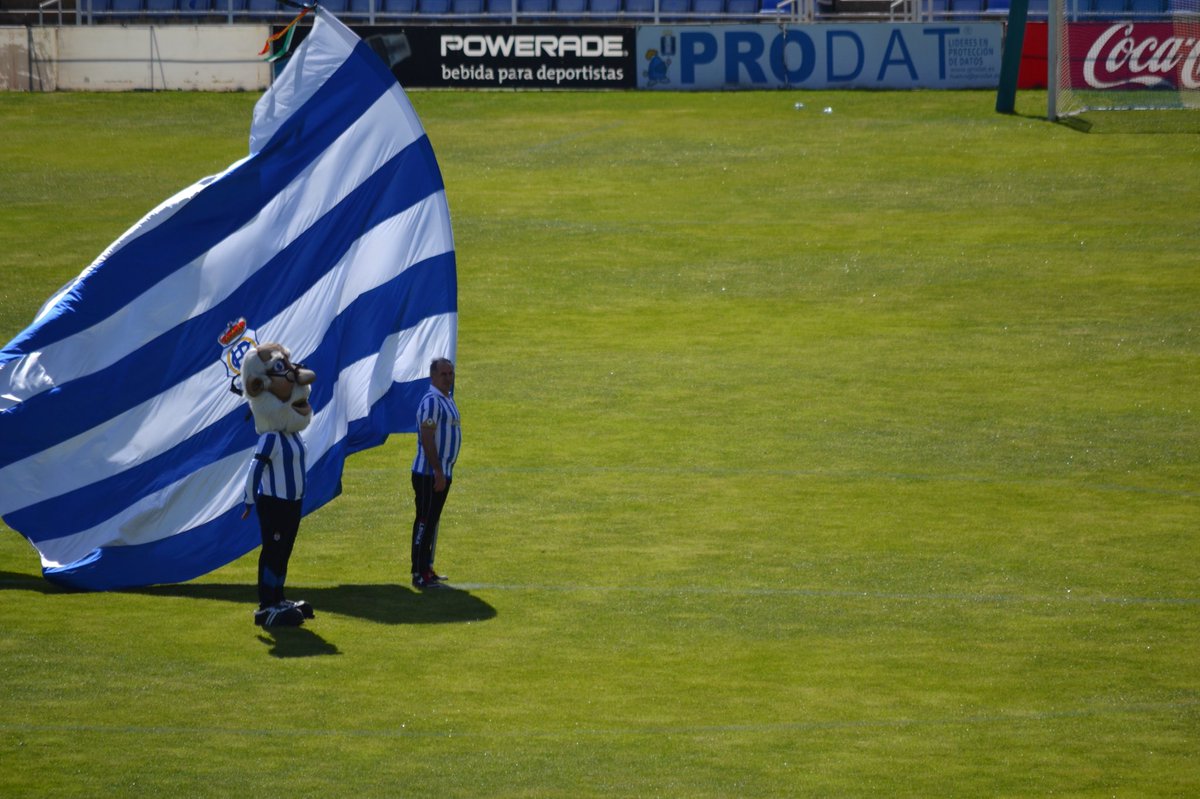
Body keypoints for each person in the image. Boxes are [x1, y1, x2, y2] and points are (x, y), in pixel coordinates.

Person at [239, 343, 317, 627]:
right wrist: (248, 500)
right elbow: (255, 468)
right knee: (272, 551)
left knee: (285, 549)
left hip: (293, 502)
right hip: (274, 503)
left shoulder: (293, 436)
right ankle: (266, 605)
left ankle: (279, 596)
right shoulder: (270, 438)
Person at [411, 357, 461, 589]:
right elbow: (427, 437)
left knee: (431, 522)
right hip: (429, 474)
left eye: (450, 374)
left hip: (441, 473)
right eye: (444, 374)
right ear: (432, 376)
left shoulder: (446, 399)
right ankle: (418, 573)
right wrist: (438, 471)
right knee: (424, 521)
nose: (448, 378)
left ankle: (427, 569)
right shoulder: (432, 401)